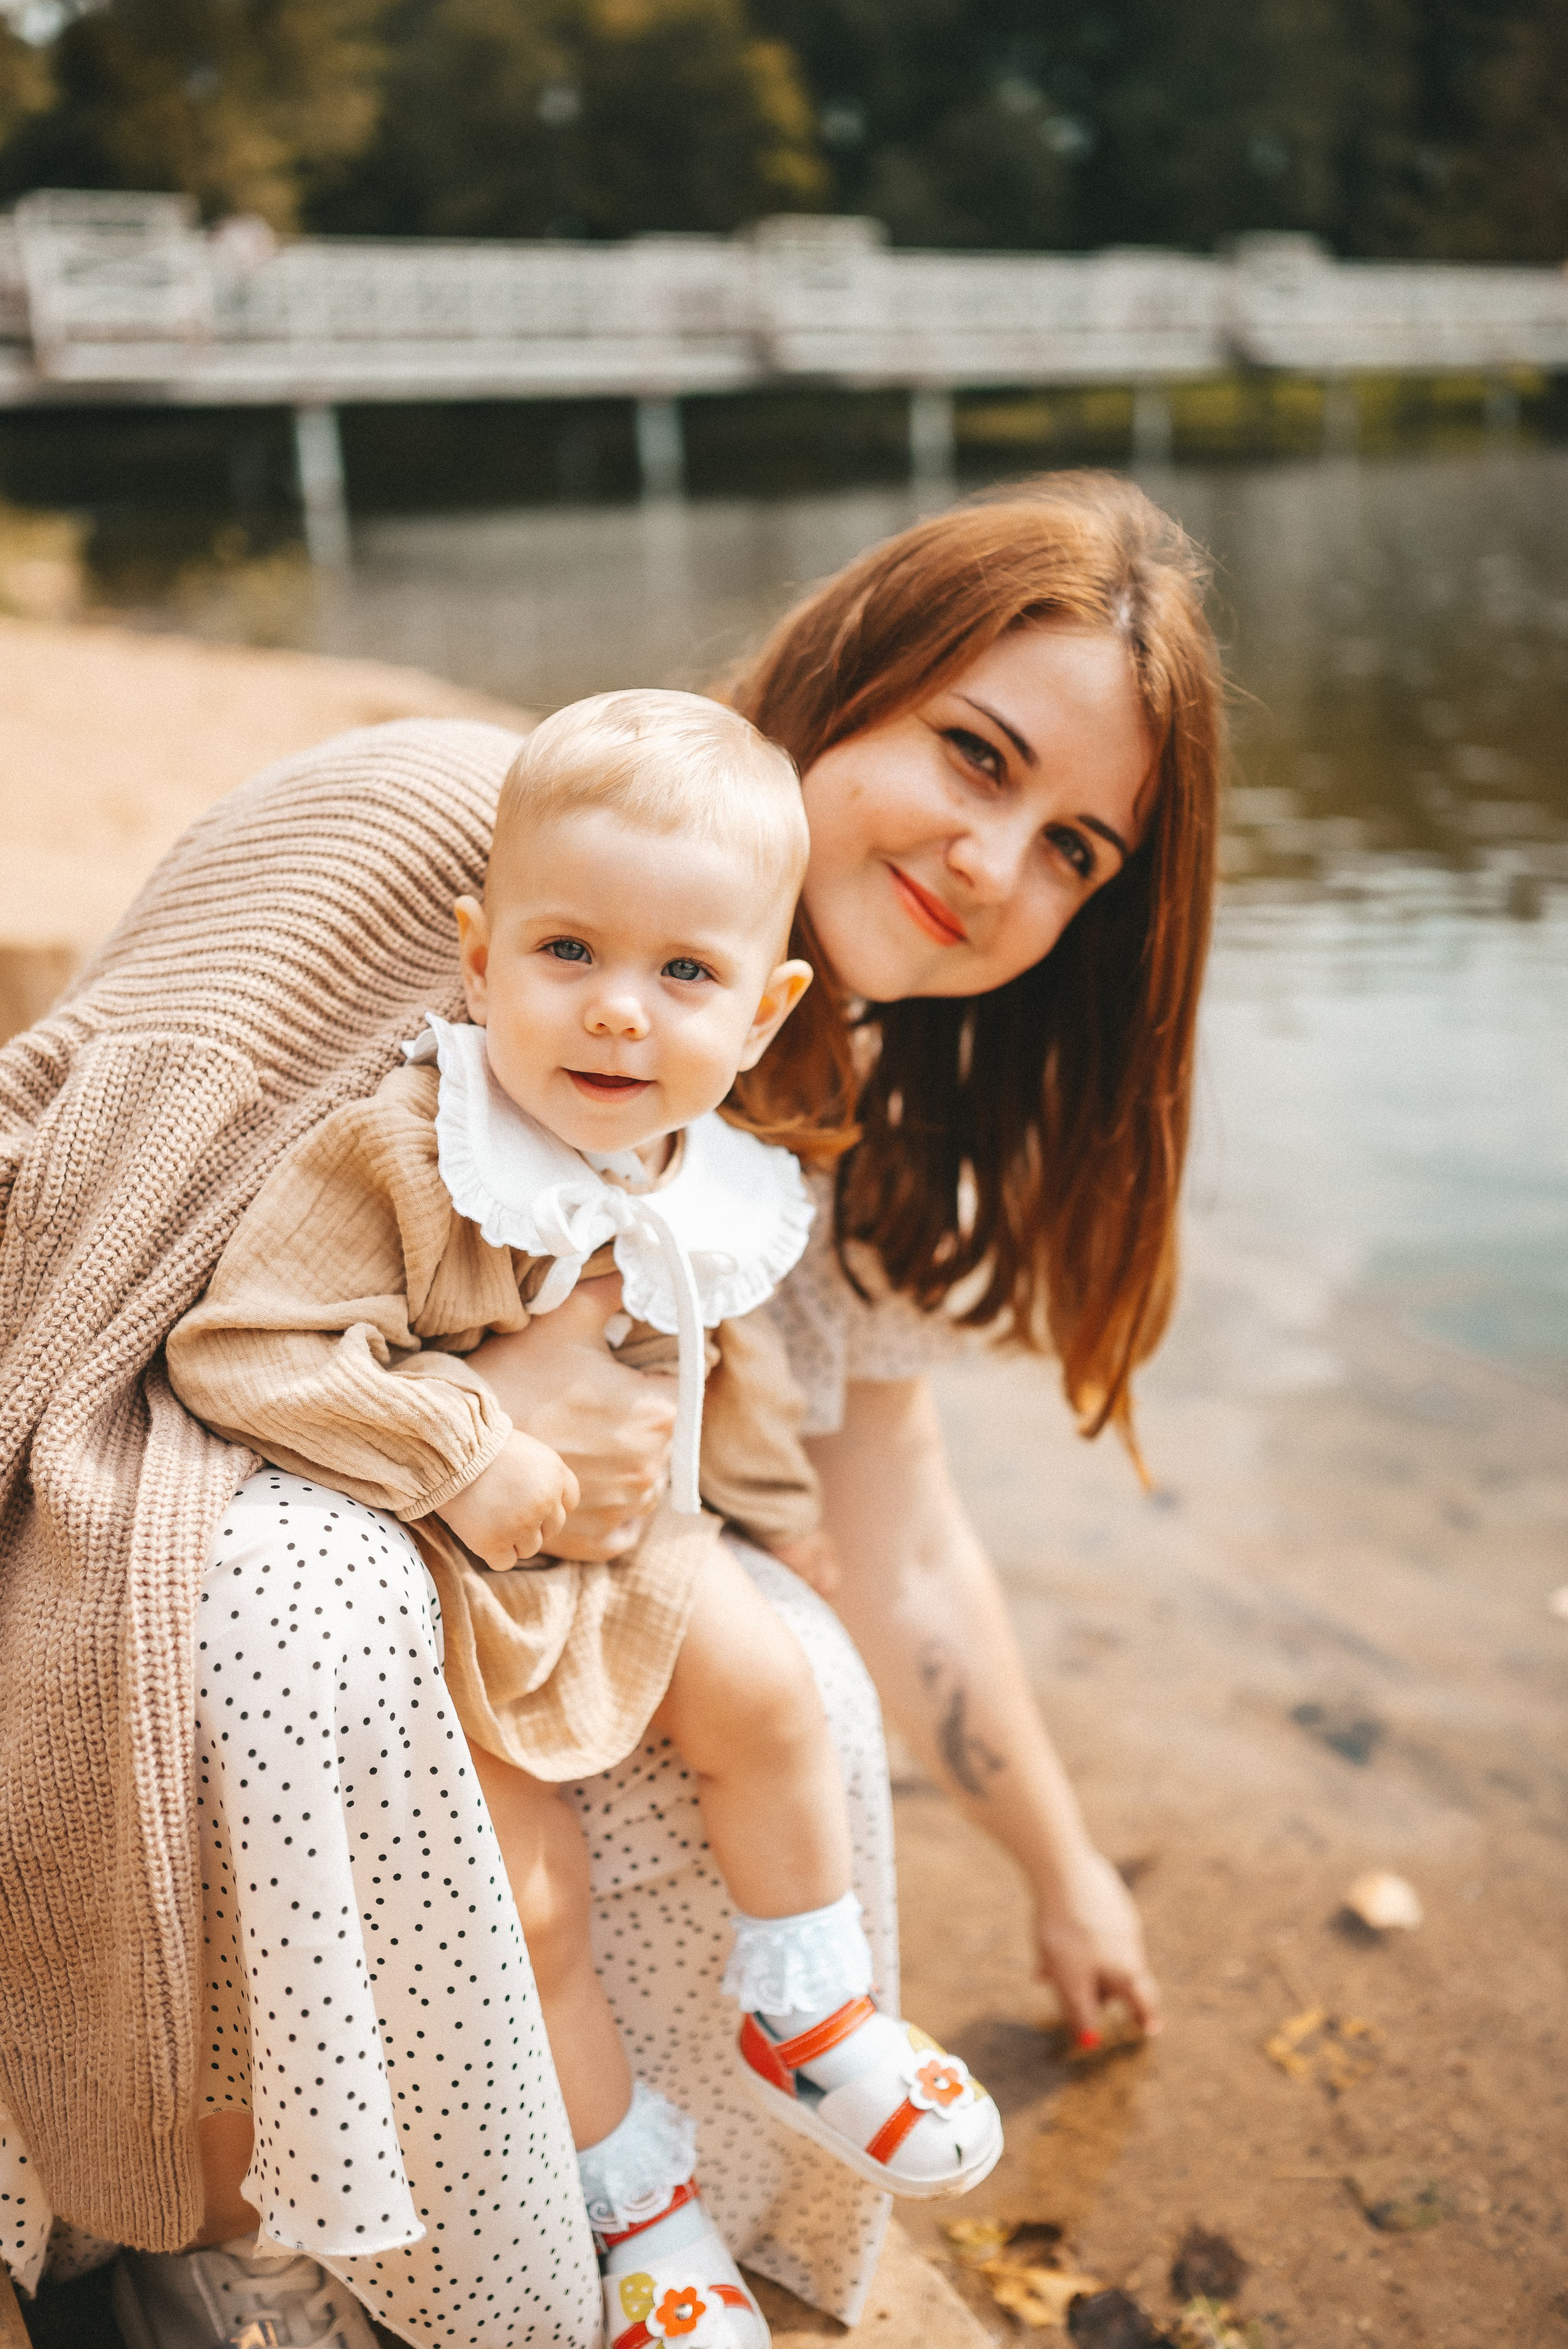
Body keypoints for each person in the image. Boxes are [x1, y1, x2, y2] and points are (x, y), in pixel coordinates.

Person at [0, 472, 1220, 2348]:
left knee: (787, 1660)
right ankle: (237, 2236)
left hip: (511, 1642)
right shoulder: (473, 846)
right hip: (195, 1534)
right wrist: (483, 1410)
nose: (997, 862)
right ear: (851, 673)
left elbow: (898, 1529)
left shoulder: (823, 1145)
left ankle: (643, 2195)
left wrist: (1063, 1874)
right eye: (975, 757)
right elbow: (100, 1186)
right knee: (313, 1599)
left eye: (1075, 851)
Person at [163, 690, 1001, 2348]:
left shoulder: (706, 1174)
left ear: (762, 1011)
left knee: (767, 1678)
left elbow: (722, 1371)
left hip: (623, 1566)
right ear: (479, 958)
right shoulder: (412, 1147)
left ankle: (809, 2005)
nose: (621, 1014)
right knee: (533, 1896)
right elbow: (242, 1342)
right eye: (569, 951)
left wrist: (773, 1517)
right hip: (442, 1588)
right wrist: (460, 1440)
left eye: (685, 975)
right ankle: (642, 2206)